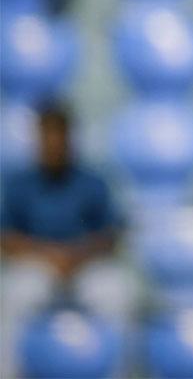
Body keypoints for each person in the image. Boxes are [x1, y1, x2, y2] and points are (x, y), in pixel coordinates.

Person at [0, 103, 130, 376]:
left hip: (84, 266)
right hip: (37, 265)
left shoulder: (92, 181)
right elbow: (7, 238)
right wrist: (48, 255)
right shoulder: (19, 183)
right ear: (38, 139)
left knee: (117, 293)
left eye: (59, 136)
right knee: (14, 295)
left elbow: (111, 236)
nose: (54, 144)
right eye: (47, 137)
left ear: (70, 138)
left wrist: (76, 256)